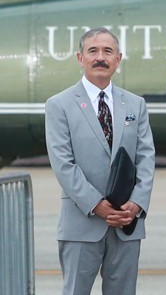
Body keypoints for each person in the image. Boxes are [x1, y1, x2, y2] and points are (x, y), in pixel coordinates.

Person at [45, 27, 155, 295]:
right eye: (92, 51)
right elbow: (63, 163)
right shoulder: (59, 104)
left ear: (118, 59)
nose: (100, 57)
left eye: (108, 51)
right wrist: (96, 205)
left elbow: (146, 156)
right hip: (81, 223)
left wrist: (136, 204)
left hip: (126, 223)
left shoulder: (135, 104)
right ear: (80, 58)